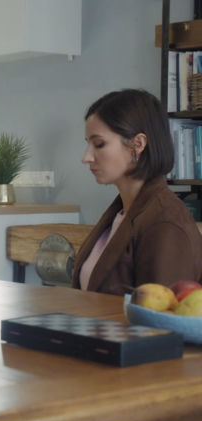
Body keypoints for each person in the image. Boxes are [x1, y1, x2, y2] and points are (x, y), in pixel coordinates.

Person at [72, 88, 202, 295]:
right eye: (88, 144)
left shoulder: (165, 222)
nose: (86, 157)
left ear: (138, 144)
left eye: (99, 144)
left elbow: (160, 311)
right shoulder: (121, 213)